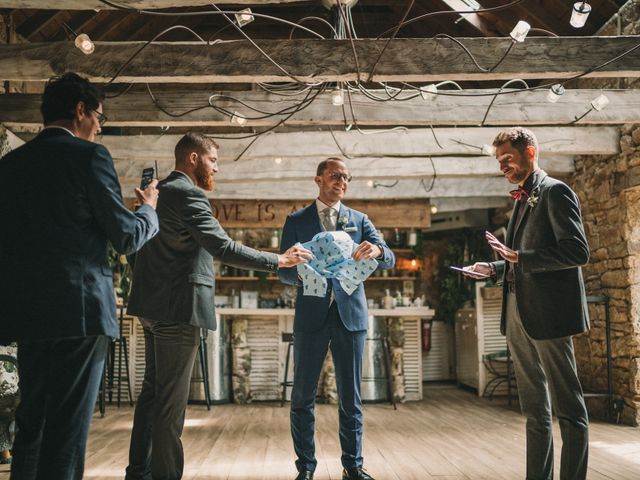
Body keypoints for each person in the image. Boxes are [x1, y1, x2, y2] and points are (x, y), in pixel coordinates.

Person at [125, 132, 311, 480]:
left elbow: (136, 250)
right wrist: (278, 260)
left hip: (152, 309)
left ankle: (137, 473)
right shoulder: (187, 194)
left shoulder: (156, 193)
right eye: (213, 160)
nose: (217, 168)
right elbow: (223, 247)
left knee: (152, 398)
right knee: (170, 407)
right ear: (192, 158)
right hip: (179, 310)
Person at [0, 72, 159, 479]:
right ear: (80, 111)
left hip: (27, 313)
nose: (100, 126)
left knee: (32, 424)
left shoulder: (10, 165)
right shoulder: (91, 156)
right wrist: (148, 211)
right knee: (67, 430)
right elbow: (125, 237)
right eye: (100, 117)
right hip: (80, 311)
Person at [464, 127, 590, 480]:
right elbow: (519, 259)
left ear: (530, 153)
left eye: (508, 158)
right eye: (499, 161)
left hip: (550, 314)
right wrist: (492, 266)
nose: (502, 165)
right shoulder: (520, 198)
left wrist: (519, 256)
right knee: (535, 412)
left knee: (570, 411)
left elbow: (577, 251)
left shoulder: (555, 192)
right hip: (518, 315)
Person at [279, 157, 395, 480]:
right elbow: (283, 271)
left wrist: (377, 251)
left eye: (346, 177)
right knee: (302, 396)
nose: (341, 182)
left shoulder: (359, 220)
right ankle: (305, 469)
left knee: (351, 397)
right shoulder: (296, 220)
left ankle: (353, 467)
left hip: (350, 317)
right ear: (318, 180)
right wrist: (301, 275)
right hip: (311, 317)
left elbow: (389, 257)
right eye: (335, 176)